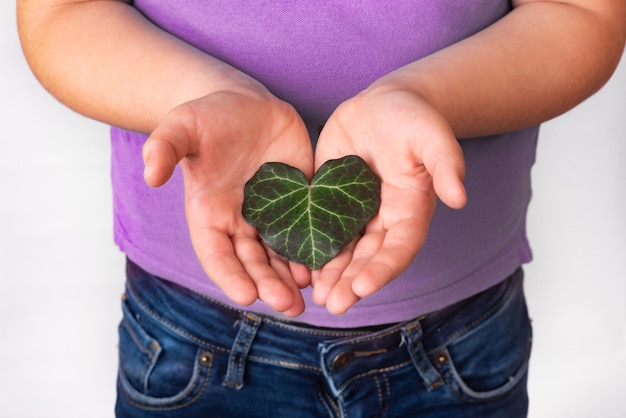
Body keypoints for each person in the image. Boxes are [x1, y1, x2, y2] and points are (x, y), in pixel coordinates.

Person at [17, 1, 625, 417]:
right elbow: (62, 13)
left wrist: (427, 96)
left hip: (460, 335)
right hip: (189, 330)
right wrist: (201, 95)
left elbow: (578, 11)